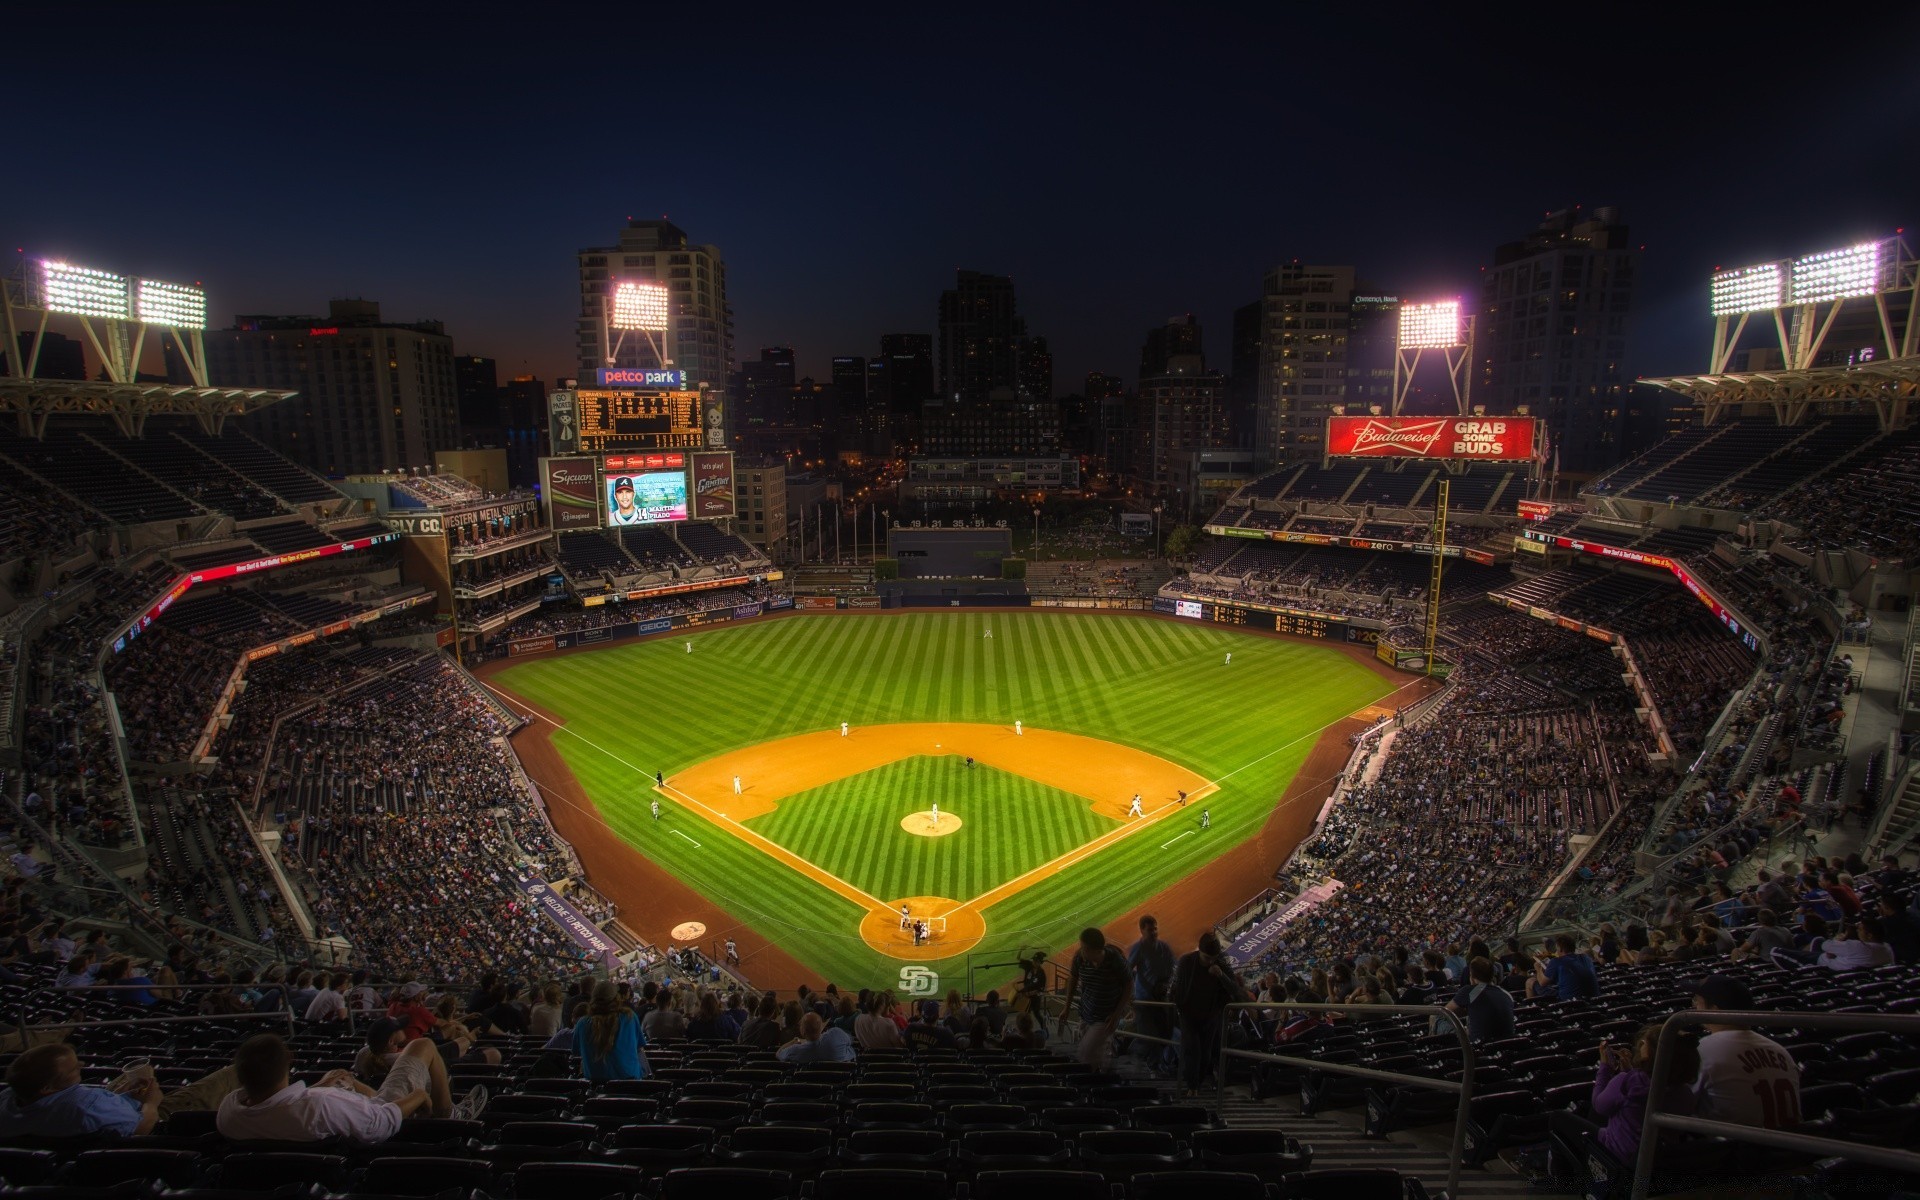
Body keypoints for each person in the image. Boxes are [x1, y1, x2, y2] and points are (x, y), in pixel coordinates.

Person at [1539, 1023, 1699, 1184]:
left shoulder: (1628, 1081)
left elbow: (1599, 1104)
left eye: (1644, 1044)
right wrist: (1628, 1071)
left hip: (1618, 1154)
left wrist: (1605, 1068)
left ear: (1650, 1054)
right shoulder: (1686, 1092)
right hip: (1656, 1159)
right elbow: (1643, 1095)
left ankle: (1561, 1181)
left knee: (1557, 1118)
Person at [218, 1034, 421, 1143]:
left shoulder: (228, 1112)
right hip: (374, 1125)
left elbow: (274, 1107)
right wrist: (420, 1095)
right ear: (288, 1063)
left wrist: (319, 1087)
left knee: (339, 1078)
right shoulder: (320, 1104)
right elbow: (380, 1124)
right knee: (423, 1046)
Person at [0, 1045, 238, 1138]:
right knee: (231, 1073)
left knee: (130, 1078)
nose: (81, 1066)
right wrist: (152, 1103)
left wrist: (121, 1095)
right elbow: (142, 1128)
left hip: (113, 1107)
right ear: (47, 1087)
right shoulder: (84, 1105)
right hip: (157, 1118)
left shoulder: (7, 1100)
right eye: (73, 1069)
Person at [1690, 975, 1801, 1129]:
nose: (1695, 1006)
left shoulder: (1703, 1050)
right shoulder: (1780, 1051)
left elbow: (1677, 1105)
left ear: (1714, 1010)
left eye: (1697, 1001)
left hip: (1734, 1149)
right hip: (1792, 1147)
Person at [351, 1019, 483, 1120]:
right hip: (394, 1111)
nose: (404, 1029)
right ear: (391, 1041)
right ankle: (452, 1114)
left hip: (381, 1105)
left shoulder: (363, 1055)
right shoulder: (399, 1058)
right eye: (399, 1029)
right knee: (426, 1046)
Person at [1169, 930, 1246, 1096]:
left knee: (1205, 1054)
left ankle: (1198, 1083)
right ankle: (1192, 1086)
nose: (1211, 961)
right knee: (1193, 1049)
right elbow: (1177, 988)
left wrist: (1221, 976)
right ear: (1199, 951)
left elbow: (1236, 991)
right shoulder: (1186, 961)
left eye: (1214, 958)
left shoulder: (1221, 966)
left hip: (1211, 1017)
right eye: (1207, 958)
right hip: (1189, 1015)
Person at [1060, 927, 1132, 1068]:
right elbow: (1073, 979)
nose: (1081, 951)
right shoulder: (1079, 958)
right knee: (1095, 1055)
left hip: (1105, 1018)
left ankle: (1097, 1080)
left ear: (1096, 950)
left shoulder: (1114, 959)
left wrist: (1117, 1014)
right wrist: (1066, 1007)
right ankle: (1105, 1077)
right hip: (1085, 1014)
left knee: (1085, 1053)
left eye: (1084, 948)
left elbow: (1129, 984)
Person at [1126, 915, 1176, 1071]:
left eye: (1155, 929)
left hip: (1161, 1000)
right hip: (1145, 1001)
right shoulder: (1138, 948)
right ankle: (1147, 1062)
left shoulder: (1164, 947)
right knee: (1149, 1035)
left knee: (1164, 1033)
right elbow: (1127, 971)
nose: (1154, 932)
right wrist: (1130, 995)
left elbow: (1172, 968)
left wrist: (1166, 984)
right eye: (1150, 930)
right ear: (1142, 930)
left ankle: (1154, 1062)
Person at [576, 981, 650, 1081]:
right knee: (640, 1052)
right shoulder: (629, 1017)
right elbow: (639, 1047)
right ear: (616, 998)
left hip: (594, 1083)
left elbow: (577, 1052)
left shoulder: (582, 1023)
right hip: (629, 1082)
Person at [1443, 957, 1515, 1043]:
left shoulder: (1474, 990)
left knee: (1439, 1019)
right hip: (1508, 1043)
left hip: (1479, 1046)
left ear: (1472, 976)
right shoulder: (1505, 993)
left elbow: (1446, 1012)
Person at [1530, 935, 1599, 1001]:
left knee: (1530, 982)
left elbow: (1542, 983)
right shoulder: (1586, 958)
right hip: (1594, 998)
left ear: (1560, 948)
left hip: (1568, 1001)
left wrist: (1538, 968)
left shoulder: (1557, 961)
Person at [1816, 917, 1893, 971]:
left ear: (1869, 935)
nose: (1857, 931)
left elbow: (1825, 945)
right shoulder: (1887, 947)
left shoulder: (1859, 946)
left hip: (1826, 969)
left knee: (1818, 942)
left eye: (1860, 929)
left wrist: (1839, 939)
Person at [778, 1011, 856, 1062]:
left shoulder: (795, 1050)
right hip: (842, 1082)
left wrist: (794, 1041)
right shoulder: (835, 1033)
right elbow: (851, 1040)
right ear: (821, 1027)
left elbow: (779, 1053)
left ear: (803, 1031)